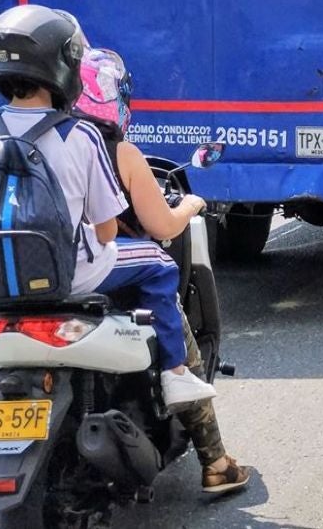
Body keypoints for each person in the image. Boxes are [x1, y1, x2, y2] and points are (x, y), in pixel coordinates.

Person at [0, 5, 215, 410]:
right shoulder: (80, 136)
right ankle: (176, 374)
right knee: (158, 263)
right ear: (62, 68)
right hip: (69, 275)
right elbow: (107, 232)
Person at [74, 47, 251, 494]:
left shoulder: (49, 142)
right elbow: (162, 226)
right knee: (175, 328)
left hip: (53, 277)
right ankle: (215, 462)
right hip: (108, 272)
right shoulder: (119, 153)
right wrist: (192, 203)